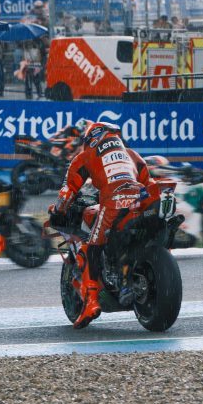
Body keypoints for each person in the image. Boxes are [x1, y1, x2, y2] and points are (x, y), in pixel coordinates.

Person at [49, 121, 154, 329]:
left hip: (114, 201)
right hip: (141, 202)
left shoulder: (85, 156)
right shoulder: (132, 155)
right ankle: (135, 272)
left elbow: (67, 191)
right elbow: (148, 182)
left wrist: (58, 211)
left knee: (92, 247)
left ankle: (91, 303)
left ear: (90, 138)